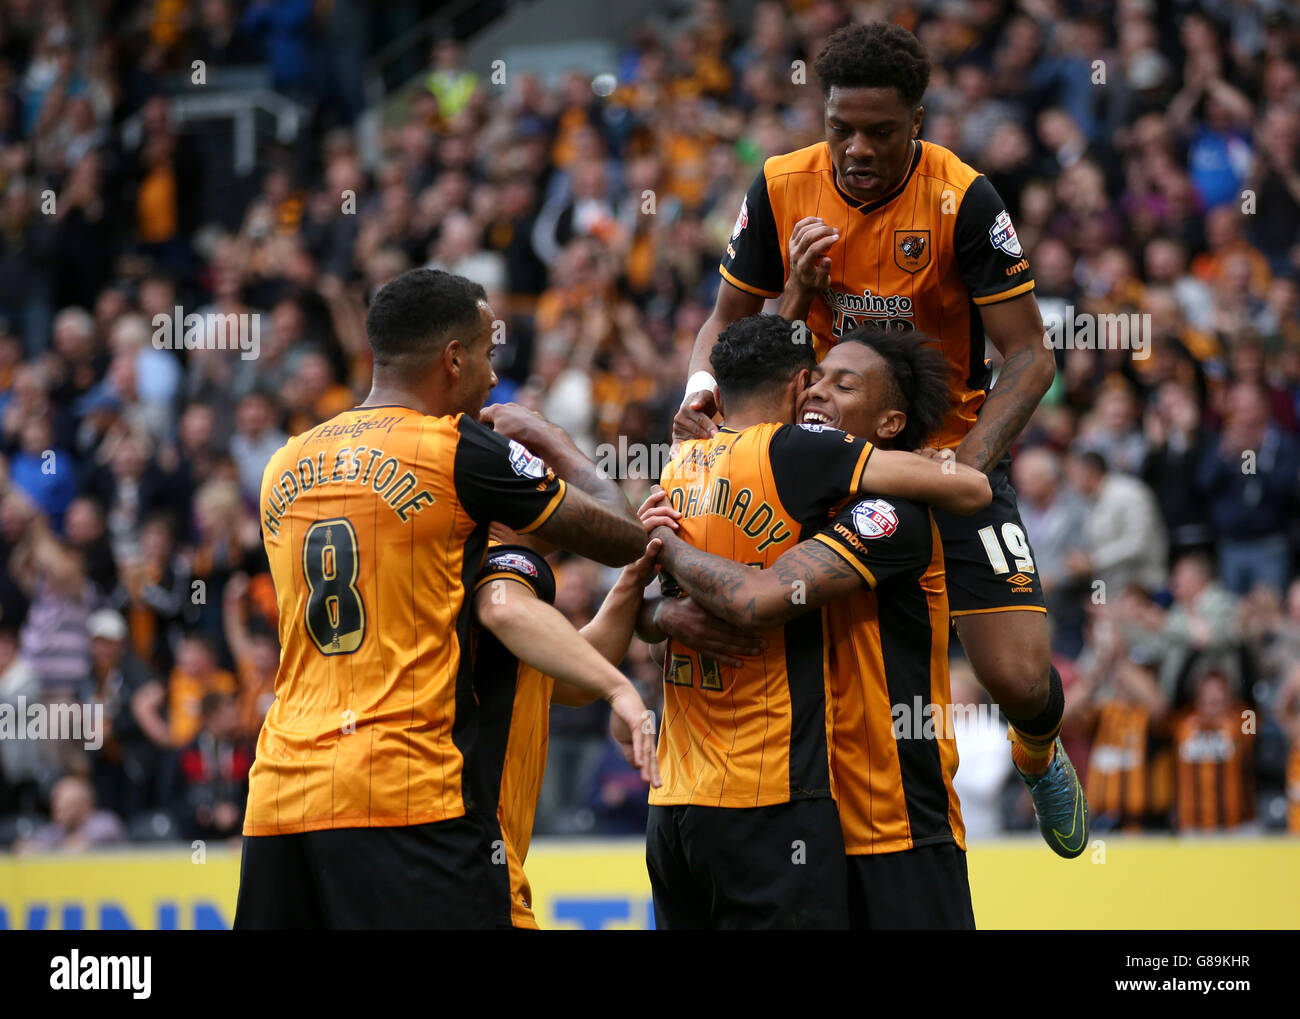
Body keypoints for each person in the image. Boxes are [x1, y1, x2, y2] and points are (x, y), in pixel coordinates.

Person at [672, 21, 1086, 857]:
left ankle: (1036, 752)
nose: (856, 148)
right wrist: (711, 385)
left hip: (949, 450)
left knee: (1018, 678)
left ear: (918, 122)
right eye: (840, 129)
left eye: (880, 132)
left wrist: (959, 474)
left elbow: (1032, 356)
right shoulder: (782, 187)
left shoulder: (962, 198)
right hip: (825, 459)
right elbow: (729, 328)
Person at [233, 268, 647, 930]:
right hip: (405, 795)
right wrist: (556, 445)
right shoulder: (456, 451)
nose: (491, 375)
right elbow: (622, 534)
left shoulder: (284, 462)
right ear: (453, 358)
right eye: (486, 351)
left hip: (281, 793)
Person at [636, 315, 989, 929]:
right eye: (815, 379)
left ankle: (1036, 745)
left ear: (889, 425)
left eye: (844, 387)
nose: (818, 392)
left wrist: (663, 549)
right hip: (806, 811)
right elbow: (669, 622)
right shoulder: (784, 491)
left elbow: (756, 597)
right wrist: (663, 613)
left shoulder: (892, 514)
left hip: (893, 823)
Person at [469, 517, 661, 929]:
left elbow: (572, 682)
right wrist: (621, 690)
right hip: (465, 846)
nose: (554, 494)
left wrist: (632, 576)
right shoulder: (503, 559)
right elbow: (503, 608)